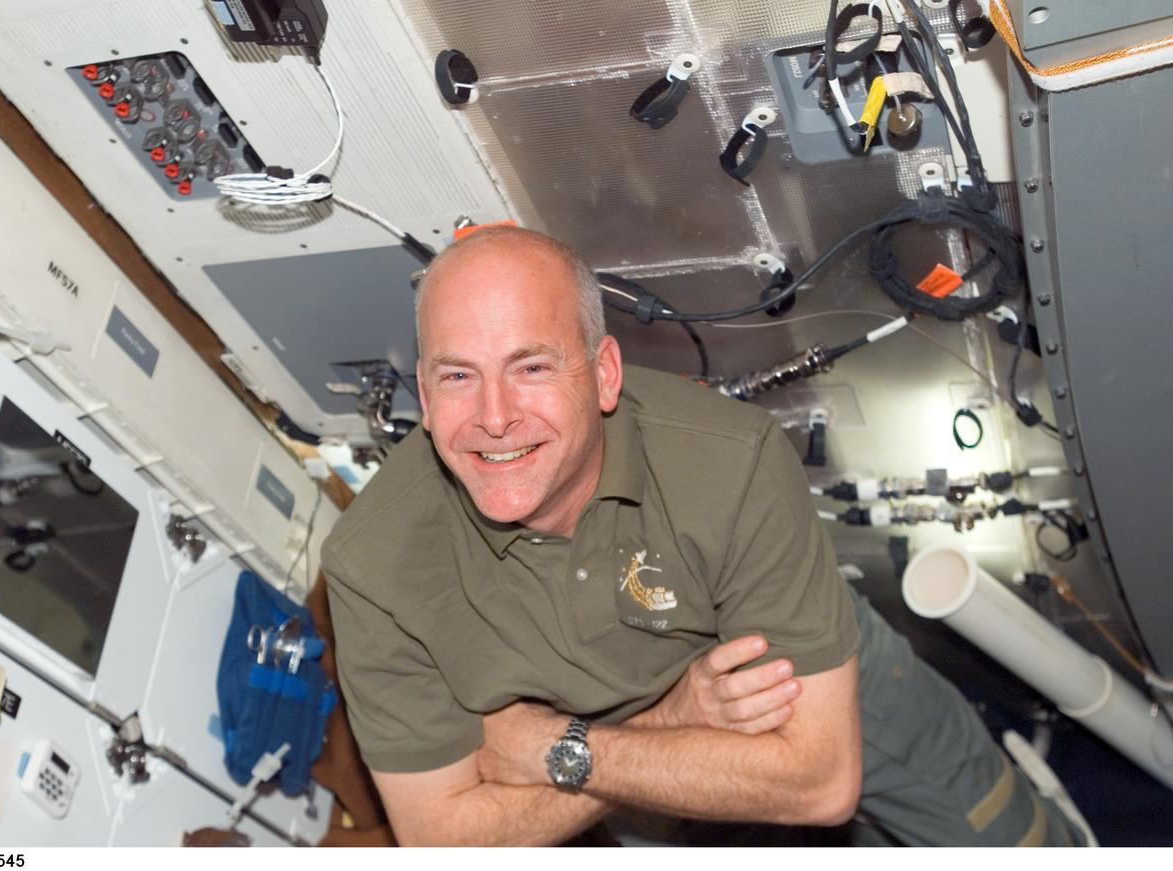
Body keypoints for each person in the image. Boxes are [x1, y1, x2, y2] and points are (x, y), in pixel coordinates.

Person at [321, 226, 1080, 846]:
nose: (493, 417)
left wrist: (550, 749)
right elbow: (441, 843)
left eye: (531, 367)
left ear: (604, 373)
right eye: (457, 377)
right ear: (423, 392)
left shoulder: (730, 455)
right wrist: (662, 721)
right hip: (632, 779)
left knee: (1007, 842)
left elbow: (820, 778)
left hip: (800, 686)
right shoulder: (374, 567)